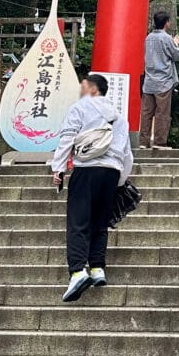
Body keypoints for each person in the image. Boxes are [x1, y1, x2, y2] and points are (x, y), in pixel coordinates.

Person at [50, 73, 134, 303]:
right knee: (100, 222)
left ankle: (78, 271)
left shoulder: (80, 108)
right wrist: (119, 180)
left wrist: (58, 168)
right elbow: (127, 153)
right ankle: (97, 268)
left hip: (87, 168)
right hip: (112, 171)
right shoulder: (119, 117)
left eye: (84, 86)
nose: (81, 90)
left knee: (78, 221)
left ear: (93, 89)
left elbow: (68, 137)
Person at [139, 11, 179, 150]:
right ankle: (159, 142)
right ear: (166, 23)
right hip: (164, 80)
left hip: (149, 80)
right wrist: (176, 43)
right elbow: (177, 56)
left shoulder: (148, 37)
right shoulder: (167, 38)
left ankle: (143, 142)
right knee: (162, 113)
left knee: (146, 113)